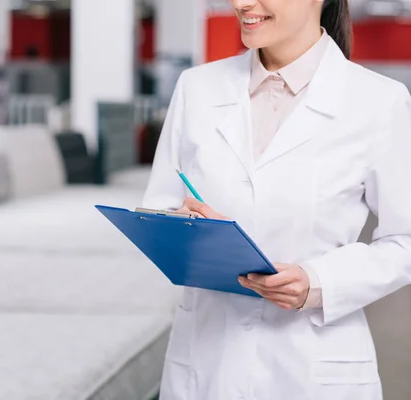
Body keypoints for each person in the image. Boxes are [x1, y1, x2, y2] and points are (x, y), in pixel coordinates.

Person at [141, 0, 411, 399]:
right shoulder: (197, 89)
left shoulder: (379, 101)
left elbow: (404, 242)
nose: (241, 4)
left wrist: (318, 282)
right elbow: (157, 210)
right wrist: (185, 228)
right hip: (208, 361)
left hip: (313, 365)